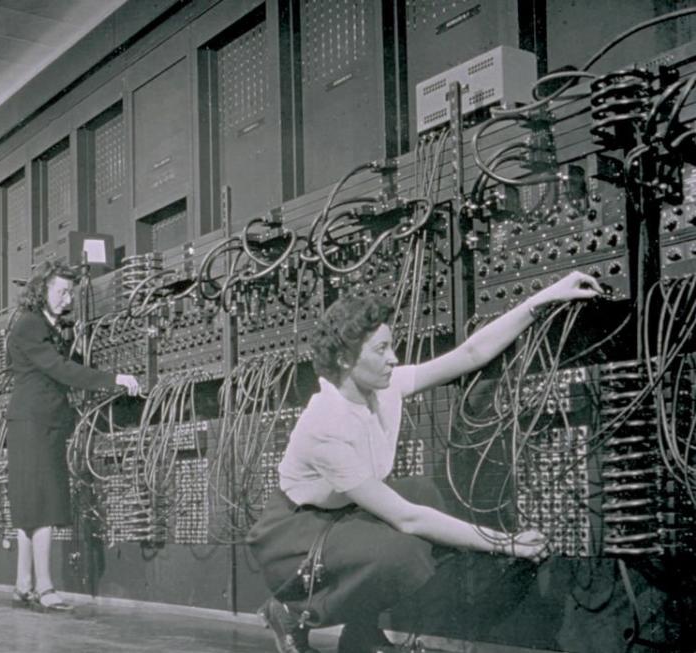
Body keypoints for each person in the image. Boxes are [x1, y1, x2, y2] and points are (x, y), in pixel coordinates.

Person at [247, 270, 603, 653]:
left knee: (420, 492)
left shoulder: (382, 387)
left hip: (339, 515)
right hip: (295, 533)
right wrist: (507, 543)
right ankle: (289, 610)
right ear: (345, 359)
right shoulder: (326, 424)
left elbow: (469, 355)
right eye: (381, 350)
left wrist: (544, 298)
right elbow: (407, 518)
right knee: (399, 553)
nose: (393, 358)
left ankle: (361, 633)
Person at [6, 259, 140, 611]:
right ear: (41, 291)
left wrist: (113, 374)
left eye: (71, 292)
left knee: (30, 505)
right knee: (44, 503)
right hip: (35, 422)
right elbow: (61, 369)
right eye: (61, 291)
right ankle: (46, 588)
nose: (68, 298)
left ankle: (24, 583)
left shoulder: (49, 328)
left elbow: (74, 362)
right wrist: (114, 380)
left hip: (40, 422)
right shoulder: (30, 326)